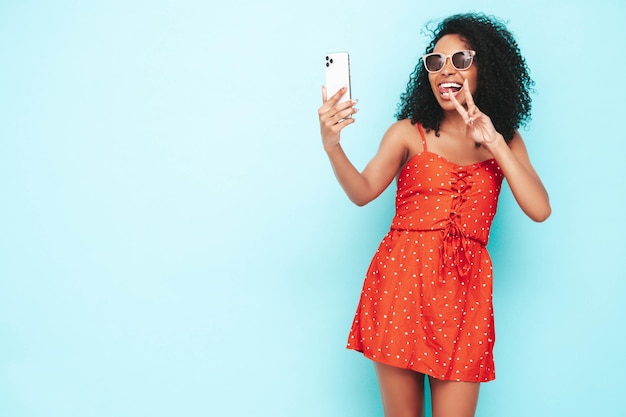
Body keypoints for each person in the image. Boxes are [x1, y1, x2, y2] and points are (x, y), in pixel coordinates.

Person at [317, 13, 551, 417]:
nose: (446, 70)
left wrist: (494, 141)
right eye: (435, 61)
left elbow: (540, 209)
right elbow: (362, 192)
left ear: (485, 69)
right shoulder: (408, 132)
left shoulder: (507, 140)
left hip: (465, 295)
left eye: (461, 60)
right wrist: (332, 146)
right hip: (401, 283)